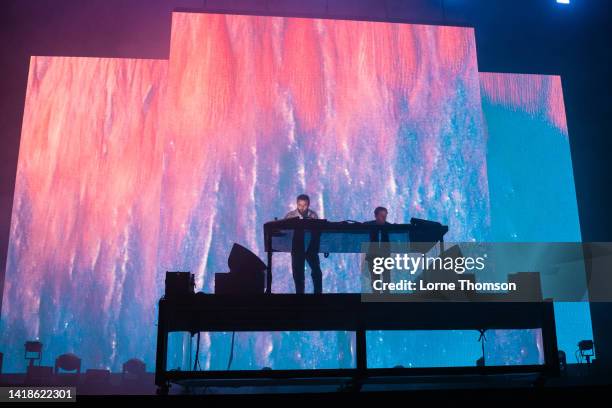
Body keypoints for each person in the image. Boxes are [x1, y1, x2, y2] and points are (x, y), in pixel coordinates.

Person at [285, 194, 322, 294]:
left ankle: (318, 294)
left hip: (311, 248)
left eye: (304, 205)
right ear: (297, 204)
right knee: (298, 273)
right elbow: (285, 231)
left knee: (316, 271)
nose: (302, 207)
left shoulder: (313, 216)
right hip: (297, 248)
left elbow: (317, 231)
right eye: (300, 205)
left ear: (308, 204)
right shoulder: (290, 216)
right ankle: (300, 296)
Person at [364, 207, 391, 293]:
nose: (384, 218)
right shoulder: (368, 225)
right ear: (376, 216)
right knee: (375, 281)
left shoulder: (390, 227)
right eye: (382, 216)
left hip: (385, 257)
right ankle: (376, 301)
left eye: (385, 216)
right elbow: (356, 227)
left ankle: (387, 300)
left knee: (387, 280)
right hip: (372, 257)